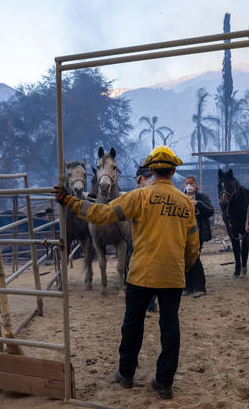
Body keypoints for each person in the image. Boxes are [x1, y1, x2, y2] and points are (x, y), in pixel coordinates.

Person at [55, 145, 200, 400]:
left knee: (132, 325)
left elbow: (103, 213)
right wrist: (183, 269)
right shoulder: (186, 203)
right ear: (174, 171)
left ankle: (126, 374)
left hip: (141, 275)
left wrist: (70, 201)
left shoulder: (139, 197)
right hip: (172, 277)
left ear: (152, 171)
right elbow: (193, 246)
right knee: (170, 328)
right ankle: (164, 383)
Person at [127, 165, 157, 312]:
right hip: (136, 234)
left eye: (150, 177)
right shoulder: (134, 195)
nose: (148, 180)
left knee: (151, 268)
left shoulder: (156, 194)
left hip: (153, 235)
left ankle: (151, 302)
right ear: (139, 179)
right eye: (145, 177)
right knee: (131, 262)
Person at [182, 175, 214, 298]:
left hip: (198, 233)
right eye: (187, 183)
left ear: (196, 185)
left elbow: (210, 211)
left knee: (194, 258)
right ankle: (188, 286)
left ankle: (200, 287)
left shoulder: (202, 197)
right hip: (183, 234)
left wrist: (198, 204)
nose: (189, 186)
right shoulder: (181, 197)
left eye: (191, 183)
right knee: (185, 260)